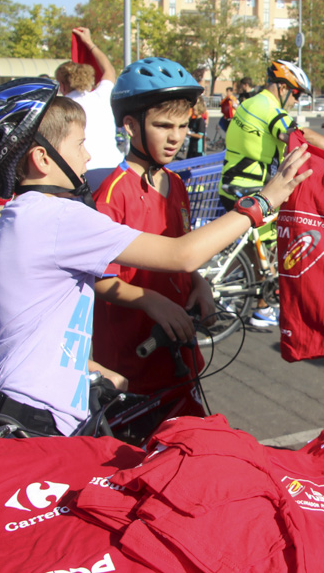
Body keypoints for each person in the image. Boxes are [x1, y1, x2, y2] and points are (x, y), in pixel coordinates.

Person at [0, 77, 310, 435]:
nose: (88, 155)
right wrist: (264, 201)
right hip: (40, 419)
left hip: (16, 398)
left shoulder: (22, 216)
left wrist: (87, 367)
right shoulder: (58, 217)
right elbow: (182, 254)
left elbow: (41, 322)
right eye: (80, 144)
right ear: (42, 158)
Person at [92, 58, 214, 414]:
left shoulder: (174, 182)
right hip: (132, 362)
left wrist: (198, 282)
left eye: (182, 125)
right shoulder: (113, 194)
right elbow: (98, 278)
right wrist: (150, 300)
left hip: (177, 353)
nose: (176, 136)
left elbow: (182, 250)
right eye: (162, 125)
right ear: (130, 125)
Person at [220, 59, 324, 329]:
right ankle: (264, 309)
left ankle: (226, 299)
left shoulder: (251, 102)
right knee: (276, 245)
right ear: (281, 87)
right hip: (251, 188)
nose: (295, 100)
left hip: (233, 184)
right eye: (295, 93)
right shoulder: (267, 107)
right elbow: (301, 136)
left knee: (251, 247)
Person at [56, 27, 123, 192]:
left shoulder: (61, 107)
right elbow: (109, 70)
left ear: (63, 85)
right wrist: (89, 43)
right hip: (116, 169)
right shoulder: (102, 95)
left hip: (86, 172)